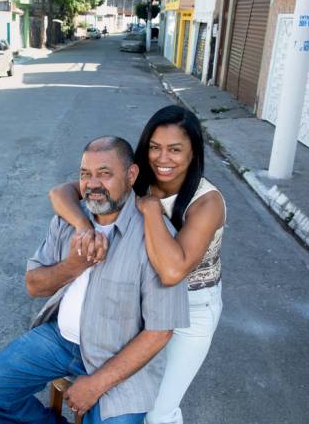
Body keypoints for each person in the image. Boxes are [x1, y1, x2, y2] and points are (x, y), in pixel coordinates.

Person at [0, 136, 190, 424]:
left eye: (104, 173)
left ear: (131, 175)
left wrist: (97, 383)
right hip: (61, 340)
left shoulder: (155, 236)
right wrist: (73, 266)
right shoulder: (70, 219)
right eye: (85, 174)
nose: (93, 184)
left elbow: (160, 331)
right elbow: (33, 285)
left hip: (120, 359)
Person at [48, 105, 226, 424]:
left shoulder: (207, 202)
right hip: (140, 301)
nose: (162, 159)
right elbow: (60, 193)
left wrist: (152, 210)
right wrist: (83, 225)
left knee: (158, 409)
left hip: (192, 308)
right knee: (121, 391)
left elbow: (173, 271)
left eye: (175, 150)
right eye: (155, 148)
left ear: (194, 152)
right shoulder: (137, 177)